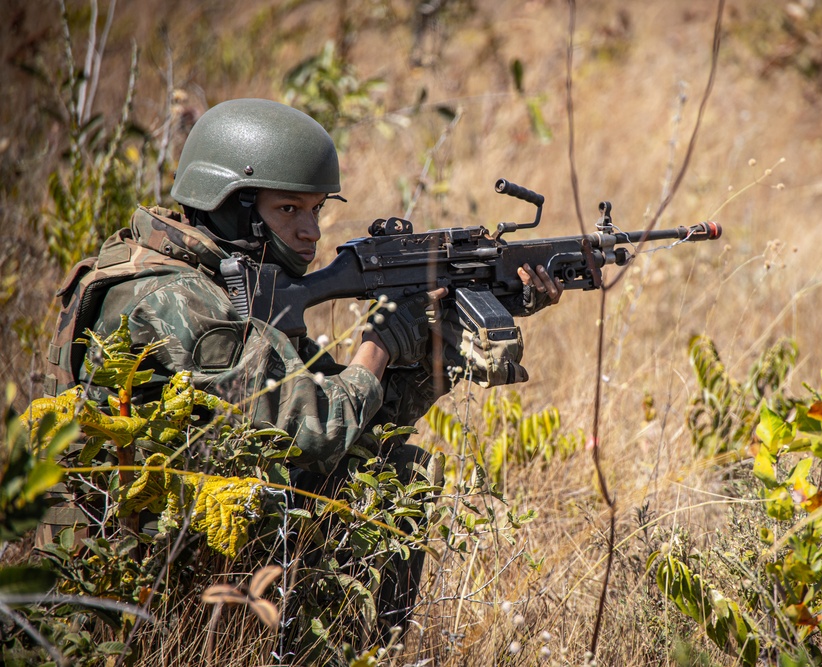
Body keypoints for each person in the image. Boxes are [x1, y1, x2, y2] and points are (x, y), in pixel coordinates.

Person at [42, 98, 563, 641]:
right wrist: (379, 344)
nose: (311, 231)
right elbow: (320, 429)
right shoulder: (179, 300)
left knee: (386, 460)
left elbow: (369, 423)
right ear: (230, 206)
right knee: (387, 480)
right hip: (132, 582)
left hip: (169, 534)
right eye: (288, 210)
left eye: (316, 209)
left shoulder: (212, 277)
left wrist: (444, 333)